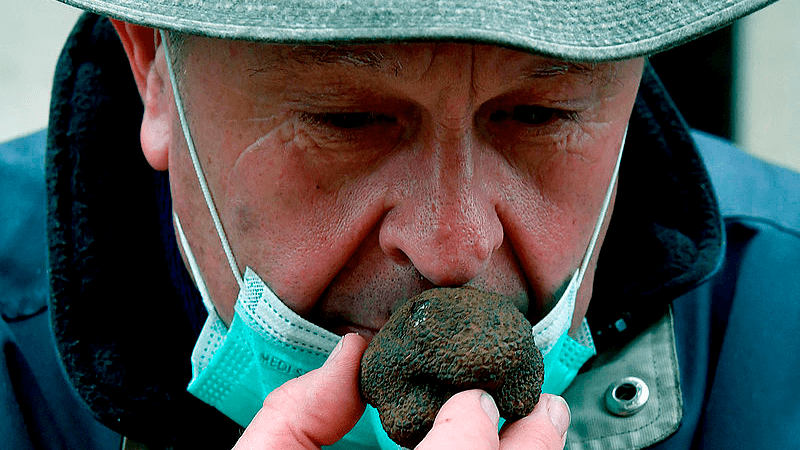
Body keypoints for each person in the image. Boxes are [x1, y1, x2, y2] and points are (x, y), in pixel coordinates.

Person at [1, 0, 799, 448]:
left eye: (541, 114)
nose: (454, 249)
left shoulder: (783, 305)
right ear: (152, 69)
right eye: (346, 120)